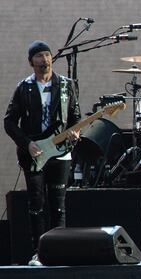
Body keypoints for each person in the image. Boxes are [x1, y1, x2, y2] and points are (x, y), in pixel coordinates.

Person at [4, 40, 80, 266]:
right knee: (36, 204)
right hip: (34, 153)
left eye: (47, 55)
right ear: (31, 62)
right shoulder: (24, 87)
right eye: (39, 56)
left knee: (58, 204)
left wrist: (75, 132)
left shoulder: (66, 85)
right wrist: (27, 144)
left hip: (60, 152)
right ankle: (39, 252)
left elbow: (75, 117)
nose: (44, 59)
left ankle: (60, 250)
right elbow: (9, 122)